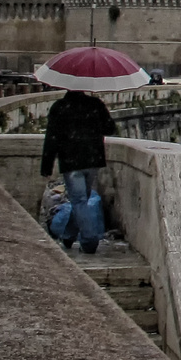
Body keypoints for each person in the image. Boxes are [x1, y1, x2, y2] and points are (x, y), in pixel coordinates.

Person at [40, 89, 117, 254]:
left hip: (71, 162)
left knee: (79, 201)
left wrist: (47, 165)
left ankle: (89, 241)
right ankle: (68, 236)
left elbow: (51, 138)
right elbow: (110, 128)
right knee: (81, 200)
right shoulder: (95, 104)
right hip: (93, 160)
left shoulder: (60, 107)